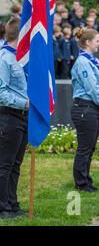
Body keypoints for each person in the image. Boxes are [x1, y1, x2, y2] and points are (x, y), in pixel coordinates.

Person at [71, 27, 99, 193]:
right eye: (97, 41)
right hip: (84, 108)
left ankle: (86, 179)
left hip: (92, 107)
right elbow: (92, 88)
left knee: (90, 147)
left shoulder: (93, 61)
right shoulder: (82, 63)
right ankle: (81, 183)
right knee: (84, 148)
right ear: (87, 42)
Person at [0, 17, 29, 219]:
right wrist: (24, 103)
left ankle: (12, 203)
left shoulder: (23, 58)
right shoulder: (4, 59)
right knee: (5, 164)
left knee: (16, 164)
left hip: (24, 117)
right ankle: (3, 208)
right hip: (8, 117)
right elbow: (0, 92)